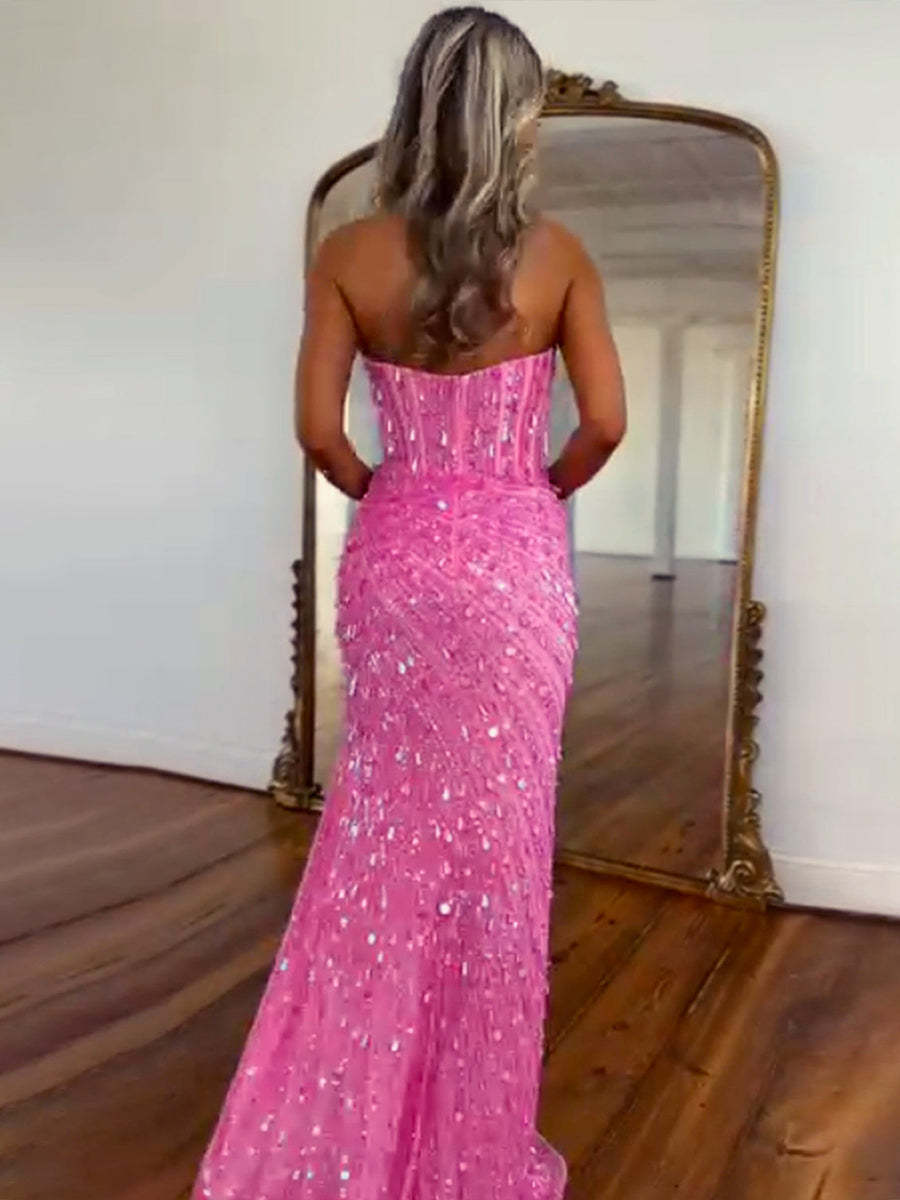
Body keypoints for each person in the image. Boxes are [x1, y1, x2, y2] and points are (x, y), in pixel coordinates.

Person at [192, 7, 624, 1198]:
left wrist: (386, 489)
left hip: (398, 553)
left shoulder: (347, 250)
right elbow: (604, 424)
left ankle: (348, 1109)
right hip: (515, 558)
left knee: (382, 826)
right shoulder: (559, 255)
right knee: (497, 847)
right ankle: (465, 1141)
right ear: (518, 117)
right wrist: (532, 490)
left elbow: (318, 430)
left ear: (414, 106)